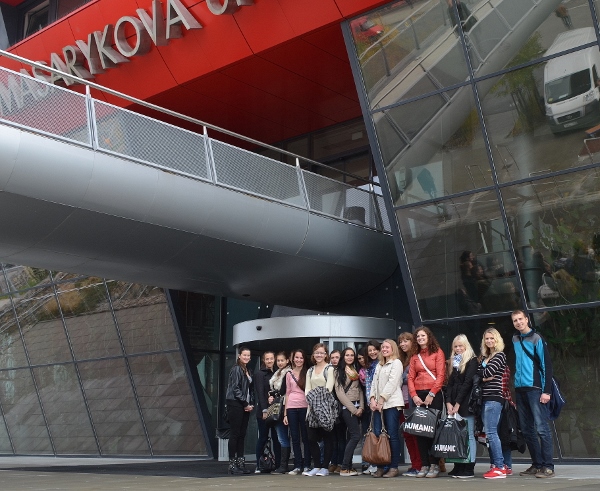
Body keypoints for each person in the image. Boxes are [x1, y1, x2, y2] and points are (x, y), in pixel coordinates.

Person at [511, 310, 555, 478]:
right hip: (520, 389)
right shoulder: (515, 339)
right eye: (515, 320)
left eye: (520, 319)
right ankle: (537, 464)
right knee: (527, 429)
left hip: (535, 388)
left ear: (527, 319)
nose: (518, 322)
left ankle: (548, 466)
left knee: (542, 429)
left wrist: (546, 391)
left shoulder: (537, 338)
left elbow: (546, 365)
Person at [407, 326, 445, 478]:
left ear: (429, 337)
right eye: (418, 336)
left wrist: (431, 394)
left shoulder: (438, 352)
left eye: (423, 335)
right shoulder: (414, 355)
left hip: (433, 394)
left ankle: (435, 463)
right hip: (418, 394)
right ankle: (424, 464)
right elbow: (410, 377)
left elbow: (441, 375)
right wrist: (414, 395)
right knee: (420, 431)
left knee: (433, 431)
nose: (420, 338)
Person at [369, 339, 404, 478]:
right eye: (383, 347)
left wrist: (382, 399)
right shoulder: (379, 364)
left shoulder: (396, 363)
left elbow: (392, 383)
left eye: (387, 347)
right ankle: (381, 466)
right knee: (378, 434)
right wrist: (372, 398)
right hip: (378, 405)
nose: (384, 349)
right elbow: (373, 383)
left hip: (391, 404)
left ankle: (393, 467)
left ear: (393, 349)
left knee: (392, 435)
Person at [444, 334, 478, 478]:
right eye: (455, 346)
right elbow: (451, 383)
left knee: (469, 435)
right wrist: (448, 402)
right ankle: (458, 465)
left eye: (460, 346)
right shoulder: (455, 361)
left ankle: (469, 467)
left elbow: (467, 383)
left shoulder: (472, 361)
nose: (458, 349)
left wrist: (457, 403)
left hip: (466, 403)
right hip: (454, 403)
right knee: (456, 435)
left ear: (466, 346)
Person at [478, 328, 508, 479]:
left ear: (497, 340)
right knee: (489, 433)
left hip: (494, 398)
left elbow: (487, 373)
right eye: (487, 338)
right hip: (485, 398)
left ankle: (500, 467)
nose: (489, 341)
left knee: (491, 432)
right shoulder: (485, 357)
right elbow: (478, 374)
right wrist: (482, 377)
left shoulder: (500, 355)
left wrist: (482, 376)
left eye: (492, 338)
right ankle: (498, 464)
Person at [303, 343, 336, 476]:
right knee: (311, 438)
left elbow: (329, 388)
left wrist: (316, 398)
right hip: (311, 408)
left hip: (325, 408)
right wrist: (312, 400)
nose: (319, 355)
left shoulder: (330, 369)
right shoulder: (310, 370)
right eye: (316, 352)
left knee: (327, 438)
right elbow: (307, 389)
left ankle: (325, 467)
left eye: (321, 353)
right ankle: (316, 466)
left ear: (326, 355)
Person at [225, 346, 254, 475]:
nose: (246, 357)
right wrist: (245, 403)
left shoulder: (247, 370)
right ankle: (232, 465)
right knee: (235, 434)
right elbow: (235, 388)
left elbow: (249, 389)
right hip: (235, 404)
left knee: (242, 435)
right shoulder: (237, 369)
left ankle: (240, 464)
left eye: (248, 355)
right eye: (244, 355)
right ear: (239, 356)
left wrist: (250, 403)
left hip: (244, 405)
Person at [335, 347, 364, 476]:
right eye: (347, 355)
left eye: (352, 355)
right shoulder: (338, 371)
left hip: (357, 406)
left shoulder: (355, 370)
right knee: (355, 436)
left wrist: (361, 407)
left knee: (350, 437)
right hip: (347, 408)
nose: (350, 357)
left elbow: (360, 390)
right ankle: (344, 467)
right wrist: (353, 409)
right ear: (343, 357)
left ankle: (349, 466)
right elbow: (340, 393)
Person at [284, 349, 311, 475]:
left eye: (301, 358)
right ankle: (297, 465)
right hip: (291, 407)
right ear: (293, 359)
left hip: (305, 406)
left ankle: (307, 465)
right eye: (297, 357)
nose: (299, 360)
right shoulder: (289, 374)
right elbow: (287, 393)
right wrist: (285, 413)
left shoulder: (308, 372)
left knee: (306, 437)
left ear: (304, 359)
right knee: (295, 438)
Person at [397, 332, 421, 477]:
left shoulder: (416, 357)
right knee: (407, 435)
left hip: (413, 401)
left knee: (416, 434)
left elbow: (414, 377)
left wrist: (403, 377)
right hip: (402, 402)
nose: (403, 344)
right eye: (401, 342)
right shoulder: (401, 359)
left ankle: (419, 465)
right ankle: (414, 464)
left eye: (406, 341)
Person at [254, 351, 280, 473]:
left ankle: (278, 465)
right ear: (263, 360)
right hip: (263, 411)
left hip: (275, 410)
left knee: (276, 438)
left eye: (271, 358)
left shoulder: (277, 373)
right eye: (267, 359)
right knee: (263, 437)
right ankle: (259, 465)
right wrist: (264, 410)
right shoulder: (260, 374)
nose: (269, 361)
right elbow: (260, 393)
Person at [270, 351, 292, 474]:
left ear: (287, 361)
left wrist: (274, 394)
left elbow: (283, 390)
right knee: (281, 436)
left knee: (283, 437)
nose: (279, 363)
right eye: (278, 360)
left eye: (282, 360)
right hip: (277, 406)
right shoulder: (277, 372)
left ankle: (284, 466)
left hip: (285, 406)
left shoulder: (288, 372)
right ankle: (283, 465)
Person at [362, 339, 381, 475]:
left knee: (381, 433)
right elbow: (369, 385)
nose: (373, 352)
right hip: (373, 404)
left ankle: (381, 463)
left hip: (383, 402)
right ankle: (374, 463)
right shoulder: (369, 366)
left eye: (375, 349)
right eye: (370, 351)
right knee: (374, 433)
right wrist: (370, 401)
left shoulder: (382, 364)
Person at [329, 350, 345, 473]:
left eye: (337, 357)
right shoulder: (329, 371)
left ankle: (340, 462)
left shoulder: (343, 371)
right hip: (330, 408)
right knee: (332, 438)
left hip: (341, 407)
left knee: (341, 437)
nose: (335, 360)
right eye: (332, 357)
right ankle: (333, 462)